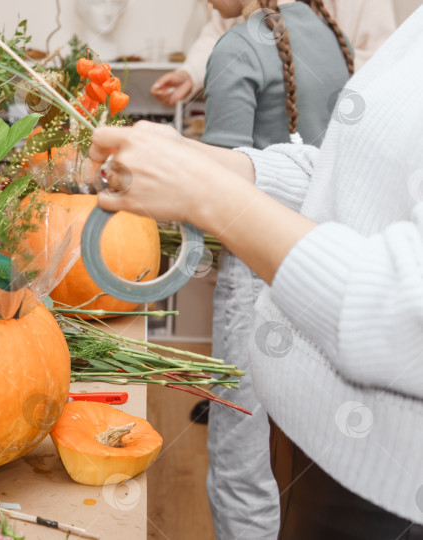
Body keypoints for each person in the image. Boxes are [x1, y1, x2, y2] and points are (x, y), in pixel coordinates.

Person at [88, 5, 423, 538]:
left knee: (238, 459)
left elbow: (406, 306)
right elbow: (343, 174)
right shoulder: (354, 29)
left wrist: (204, 192)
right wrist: (196, 161)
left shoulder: (240, 45)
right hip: (320, 457)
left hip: (386, 494)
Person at [197, 1, 352, 538]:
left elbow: (212, 189)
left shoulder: (237, 47)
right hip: (324, 254)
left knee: (239, 446)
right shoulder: (332, 36)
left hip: (255, 263)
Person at [151, 0, 396, 106]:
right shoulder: (237, 19)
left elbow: (380, 60)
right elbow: (217, 33)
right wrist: (191, 74)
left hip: (335, 125)